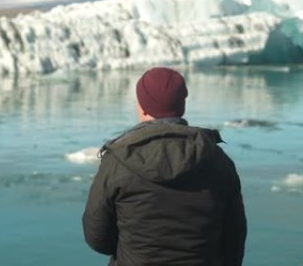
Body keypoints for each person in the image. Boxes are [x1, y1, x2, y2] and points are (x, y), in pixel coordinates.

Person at [82, 67, 247, 266]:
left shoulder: (118, 161)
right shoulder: (218, 161)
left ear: (142, 106)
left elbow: (97, 239)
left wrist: (133, 246)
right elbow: (233, 240)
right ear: (182, 106)